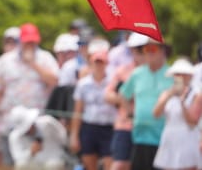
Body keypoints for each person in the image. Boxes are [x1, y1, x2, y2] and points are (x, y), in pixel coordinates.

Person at [0, 22, 59, 169]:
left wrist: (33, 64)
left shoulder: (45, 58)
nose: (30, 45)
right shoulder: (4, 62)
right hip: (9, 120)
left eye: (33, 42)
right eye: (27, 42)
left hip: (36, 121)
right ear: (20, 41)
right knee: (9, 161)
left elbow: (54, 80)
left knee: (35, 162)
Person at [118, 35, 172, 170]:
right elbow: (123, 94)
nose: (148, 52)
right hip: (140, 135)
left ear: (162, 51)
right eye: (145, 49)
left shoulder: (172, 74)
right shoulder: (137, 74)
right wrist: (130, 114)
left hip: (164, 137)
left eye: (152, 48)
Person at [103, 32, 147, 170]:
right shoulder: (123, 70)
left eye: (143, 48)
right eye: (136, 49)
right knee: (120, 164)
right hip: (125, 124)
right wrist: (125, 98)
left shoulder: (155, 72)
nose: (139, 53)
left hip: (148, 127)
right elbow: (108, 95)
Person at [69, 50, 116, 170]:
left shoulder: (113, 82)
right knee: (89, 162)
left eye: (102, 63)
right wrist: (74, 135)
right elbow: (78, 111)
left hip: (108, 126)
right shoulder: (83, 84)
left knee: (109, 161)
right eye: (96, 63)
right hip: (89, 126)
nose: (99, 66)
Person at [152, 58, 202, 170]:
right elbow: (156, 113)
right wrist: (169, 95)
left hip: (187, 138)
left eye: (184, 74)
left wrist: (182, 101)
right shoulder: (167, 93)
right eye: (177, 74)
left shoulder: (196, 95)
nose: (180, 77)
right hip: (170, 137)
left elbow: (192, 121)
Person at [7, 106, 67, 170]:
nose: (28, 130)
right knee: (21, 165)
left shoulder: (48, 123)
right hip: (35, 164)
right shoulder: (14, 137)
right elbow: (18, 158)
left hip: (53, 159)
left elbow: (63, 137)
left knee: (53, 165)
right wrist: (31, 152)